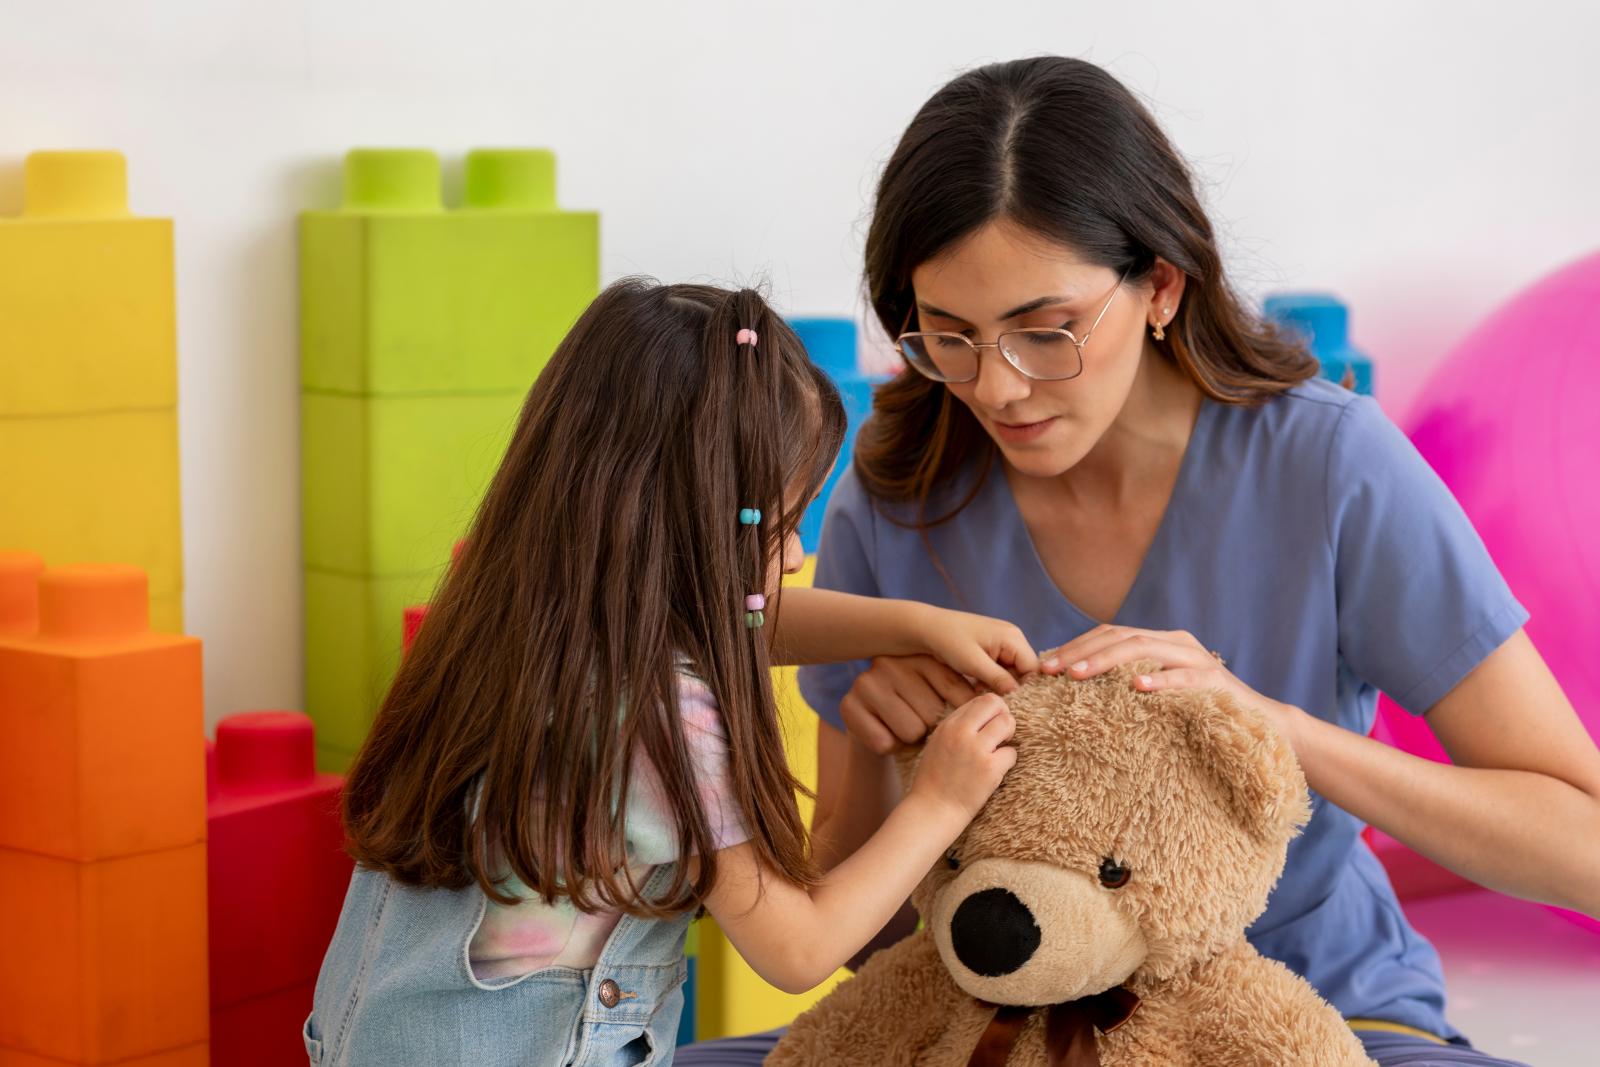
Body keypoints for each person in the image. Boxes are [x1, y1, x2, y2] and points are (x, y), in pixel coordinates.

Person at [676, 56, 1600, 1067]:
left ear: (1160, 284)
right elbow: (864, 949)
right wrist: (887, 766)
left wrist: (1276, 728)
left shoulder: (1330, 466)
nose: (998, 387)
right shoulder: (893, 497)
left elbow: (1582, 845)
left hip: (1314, 1018)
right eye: (950, 336)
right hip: (986, 1031)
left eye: (1046, 331)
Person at [303, 279, 1043, 1065]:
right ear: (688, 520)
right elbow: (796, 950)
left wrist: (913, 624)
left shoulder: (523, 612)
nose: (794, 555)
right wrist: (940, 800)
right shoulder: (656, 719)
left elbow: (732, 620)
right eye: (782, 525)